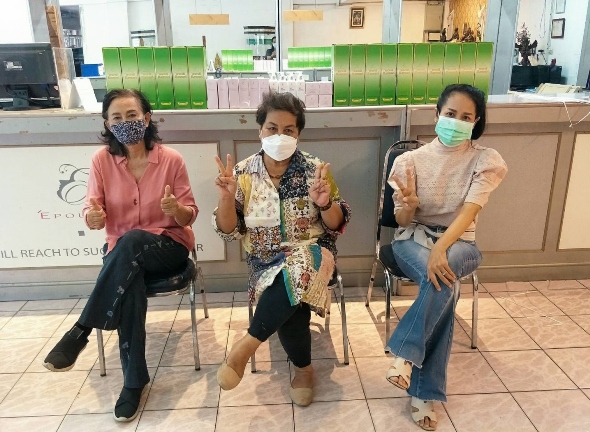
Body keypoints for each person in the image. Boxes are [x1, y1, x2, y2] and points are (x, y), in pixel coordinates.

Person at [42, 89, 198, 422]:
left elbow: (190, 214)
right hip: (124, 254)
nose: (125, 122)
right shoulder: (101, 161)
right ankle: (133, 382)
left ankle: (81, 329)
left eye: (132, 115)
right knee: (130, 283)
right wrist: (93, 218)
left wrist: (176, 209)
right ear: (107, 124)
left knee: (132, 241)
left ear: (147, 118)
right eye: (117, 117)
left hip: (168, 247)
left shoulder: (171, 160)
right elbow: (91, 210)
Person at [213, 92, 351, 407]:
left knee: (300, 266)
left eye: (288, 130)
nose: (279, 135)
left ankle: (248, 345)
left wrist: (324, 203)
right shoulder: (243, 174)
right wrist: (226, 198)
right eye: (272, 128)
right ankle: (303, 369)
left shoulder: (315, 169)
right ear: (260, 131)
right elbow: (229, 230)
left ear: (298, 134)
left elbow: (336, 224)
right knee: (290, 289)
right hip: (265, 262)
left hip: (315, 255)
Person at [384, 84, 507, 431]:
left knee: (443, 271)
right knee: (444, 287)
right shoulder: (409, 162)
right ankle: (425, 393)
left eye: (466, 117)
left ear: (476, 121)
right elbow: (402, 222)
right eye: (451, 114)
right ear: (437, 113)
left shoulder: (485, 160)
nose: (457, 121)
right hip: (412, 239)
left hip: (460, 243)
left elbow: (469, 212)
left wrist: (441, 248)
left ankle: (405, 354)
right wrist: (408, 208)